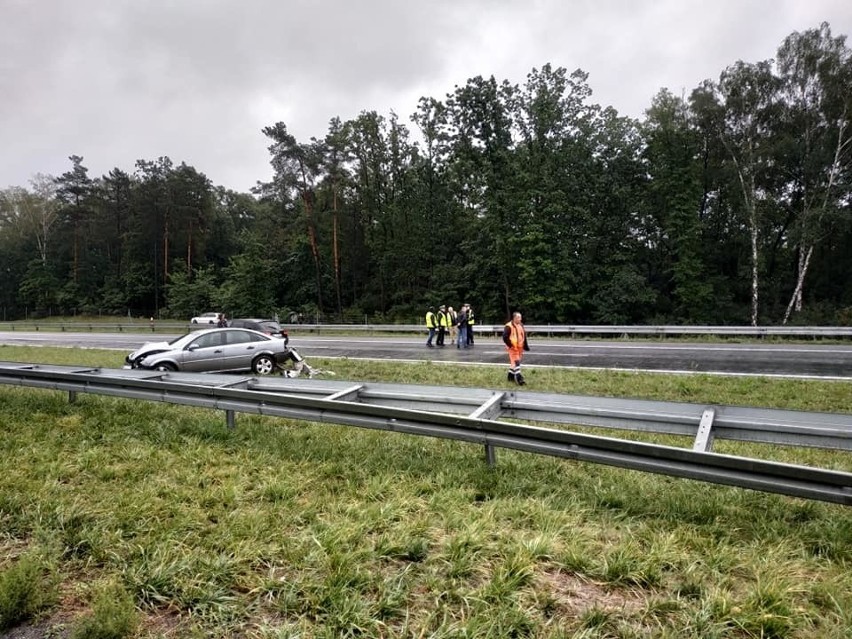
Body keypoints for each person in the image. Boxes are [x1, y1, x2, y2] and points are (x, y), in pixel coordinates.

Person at [502, 311, 530, 385]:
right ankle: (519, 379)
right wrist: (510, 345)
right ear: (514, 318)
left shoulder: (521, 325)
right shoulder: (508, 326)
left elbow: (523, 336)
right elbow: (505, 337)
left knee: (514, 364)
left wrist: (525, 345)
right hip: (512, 348)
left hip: (520, 348)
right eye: (518, 317)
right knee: (517, 363)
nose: (520, 319)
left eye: (520, 317)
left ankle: (510, 377)